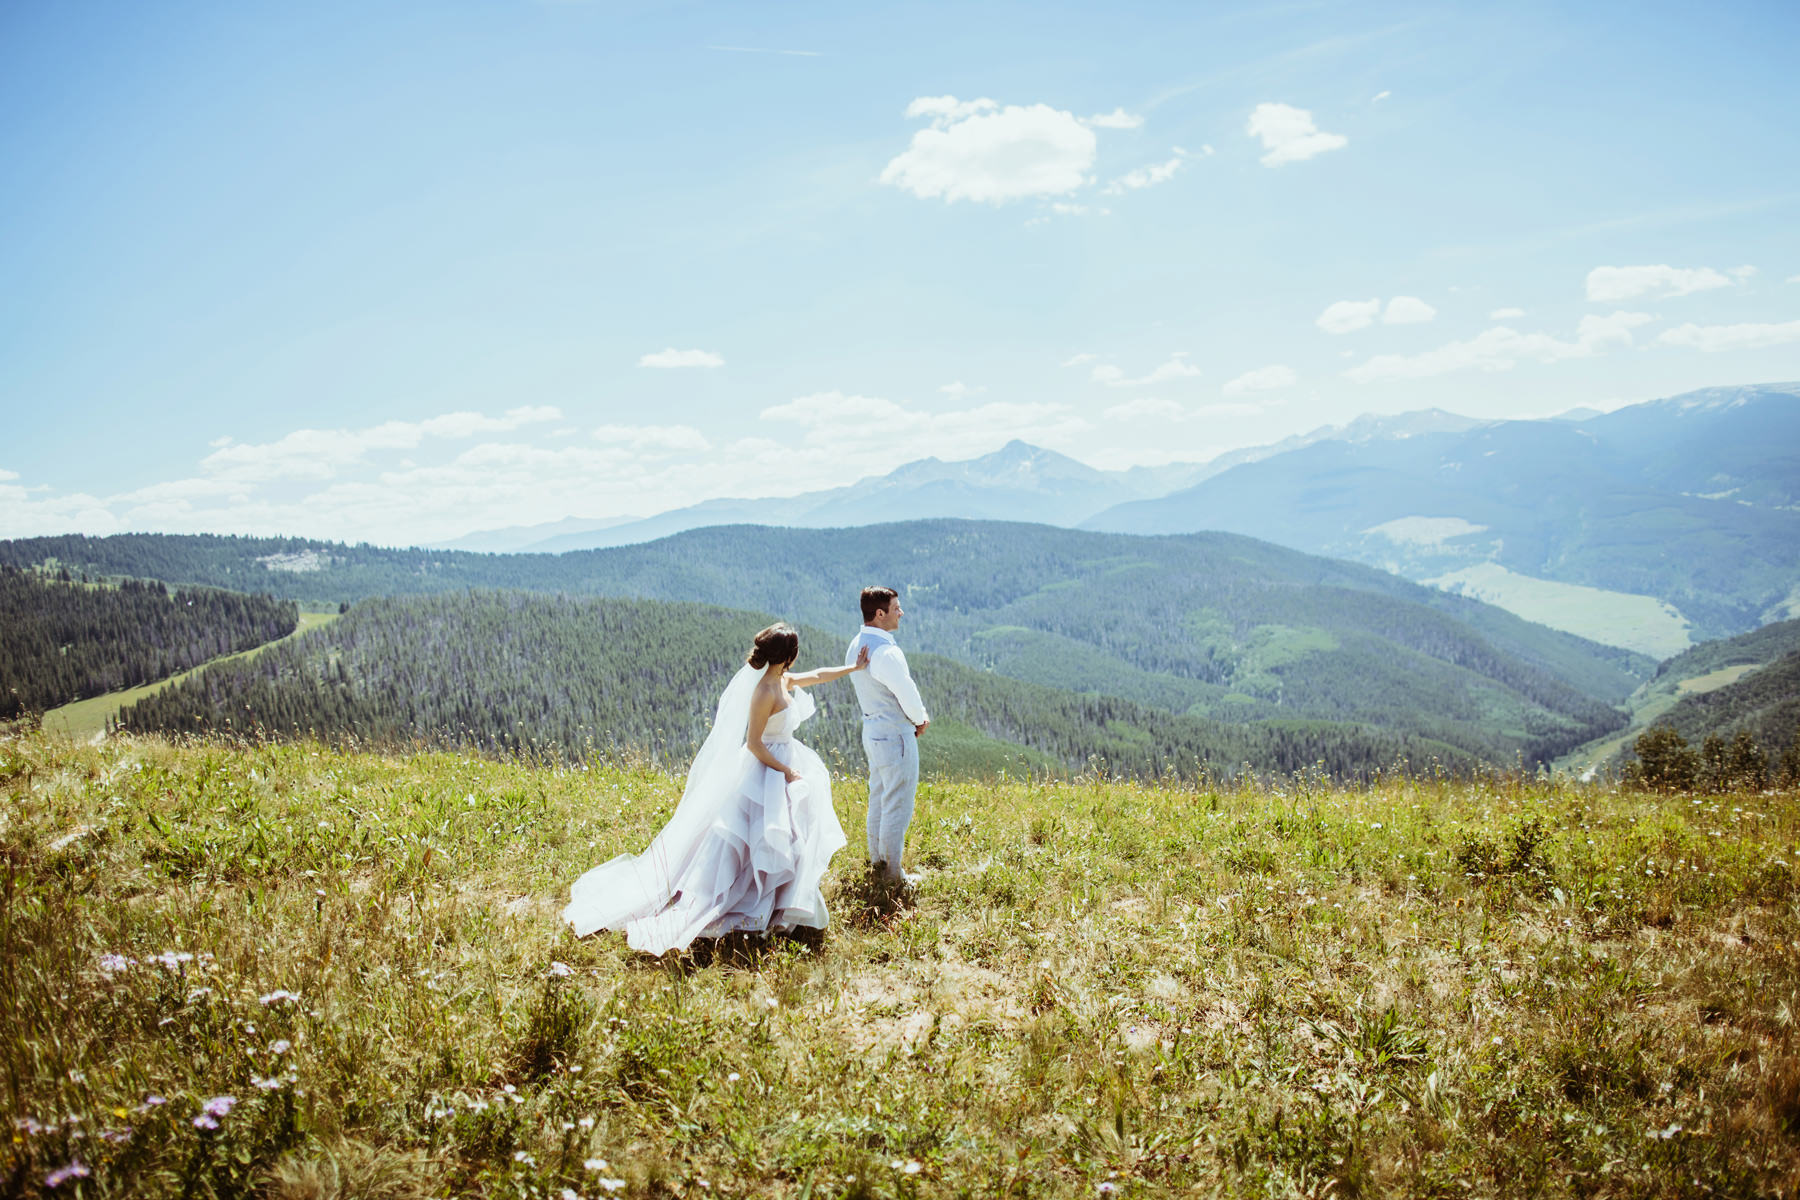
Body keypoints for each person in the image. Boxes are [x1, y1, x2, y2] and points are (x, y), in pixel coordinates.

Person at [562, 624, 870, 955]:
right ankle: (755, 905)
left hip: (784, 760)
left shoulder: (782, 679)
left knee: (790, 835)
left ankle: (785, 904)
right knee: (759, 838)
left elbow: (818, 676)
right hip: (766, 767)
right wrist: (786, 771)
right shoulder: (765, 691)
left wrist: (852, 667)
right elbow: (753, 743)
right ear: (788, 656)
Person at [845, 586, 930, 886]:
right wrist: (919, 719)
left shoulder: (857, 644)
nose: (901, 613)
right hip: (895, 734)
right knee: (898, 802)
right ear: (880, 614)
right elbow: (906, 692)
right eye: (896, 608)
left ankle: (877, 861)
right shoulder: (887, 653)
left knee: (879, 796)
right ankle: (893, 875)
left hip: (872, 730)